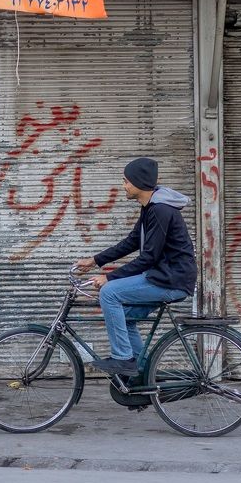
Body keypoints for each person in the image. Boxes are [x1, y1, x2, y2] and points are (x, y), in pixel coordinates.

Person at [75, 157, 197, 377]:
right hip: (162, 276)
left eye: (126, 181)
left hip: (172, 280)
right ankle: (143, 375)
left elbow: (149, 256)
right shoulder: (150, 208)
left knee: (109, 293)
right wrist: (95, 260)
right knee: (127, 317)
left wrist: (110, 279)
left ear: (138, 182)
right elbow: (132, 241)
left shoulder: (161, 210)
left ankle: (123, 359)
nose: (124, 186)